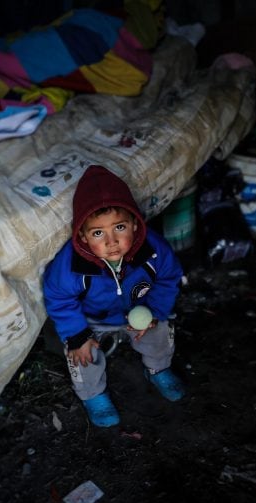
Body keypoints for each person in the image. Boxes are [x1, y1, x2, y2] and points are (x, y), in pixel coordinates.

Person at [43, 165, 186, 427]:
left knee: (159, 334)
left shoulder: (154, 250)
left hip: (139, 308)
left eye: (119, 227)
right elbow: (59, 297)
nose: (111, 241)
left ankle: (158, 368)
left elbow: (169, 277)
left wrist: (155, 311)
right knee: (81, 354)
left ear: (134, 223)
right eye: (98, 232)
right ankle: (93, 395)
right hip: (92, 319)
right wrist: (77, 335)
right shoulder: (72, 265)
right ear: (84, 237)